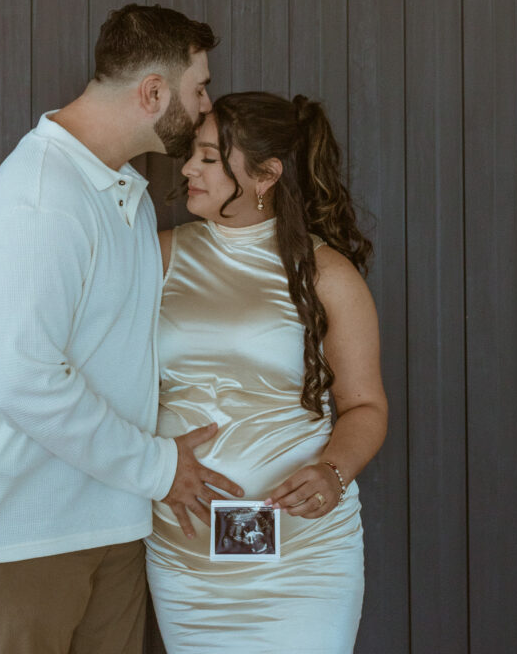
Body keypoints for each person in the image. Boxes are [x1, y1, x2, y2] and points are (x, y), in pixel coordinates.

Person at [0, 4, 243, 654]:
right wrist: (159, 467)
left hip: (111, 517)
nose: (205, 103)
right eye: (198, 87)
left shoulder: (118, 190)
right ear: (152, 93)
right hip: (27, 531)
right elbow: (27, 382)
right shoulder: (42, 200)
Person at [146, 91, 388, 653]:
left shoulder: (325, 274)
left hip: (301, 558)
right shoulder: (157, 256)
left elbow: (365, 407)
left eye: (208, 158)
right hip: (187, 556)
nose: (187, 169)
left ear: (265, 176)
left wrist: (333, 471)